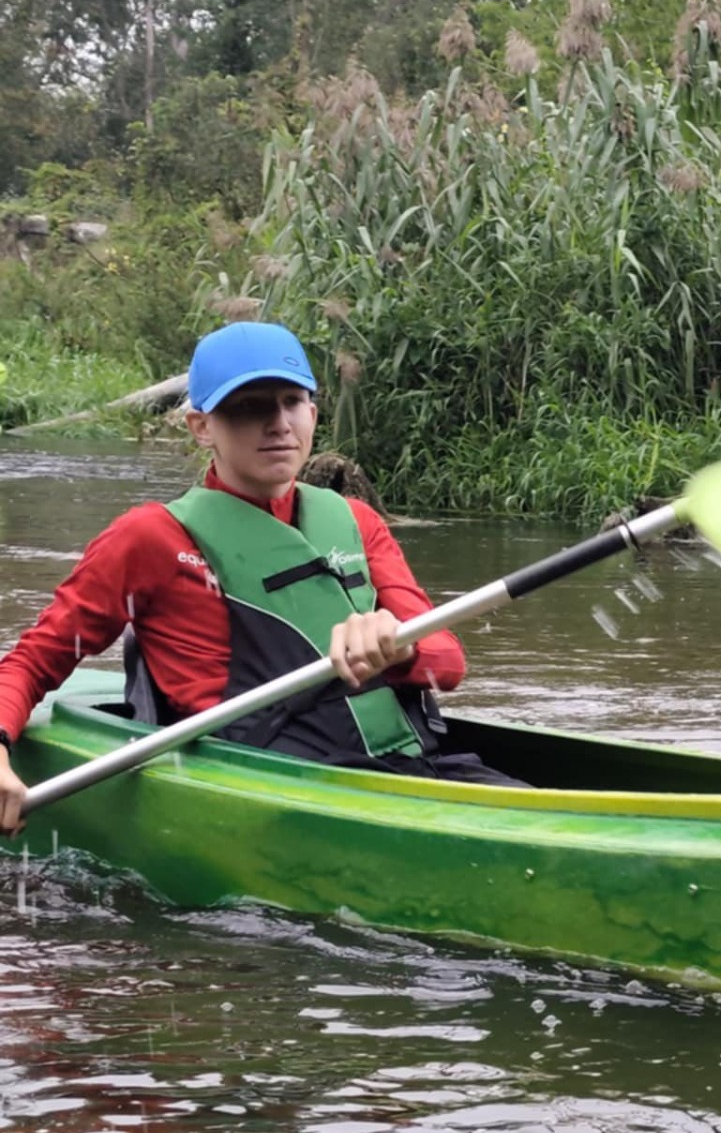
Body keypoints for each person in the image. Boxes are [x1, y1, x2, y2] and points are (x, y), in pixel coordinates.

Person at [0, 321, 519, 835]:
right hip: (265, 787)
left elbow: (447, 665)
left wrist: (399, 645)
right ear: (201, 427)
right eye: (249, 407)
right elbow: (34, 660)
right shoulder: (148, 539)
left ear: (313, 413)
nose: (278, 423)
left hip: (406, 770)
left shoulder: (358, 521)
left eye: (291, 401)